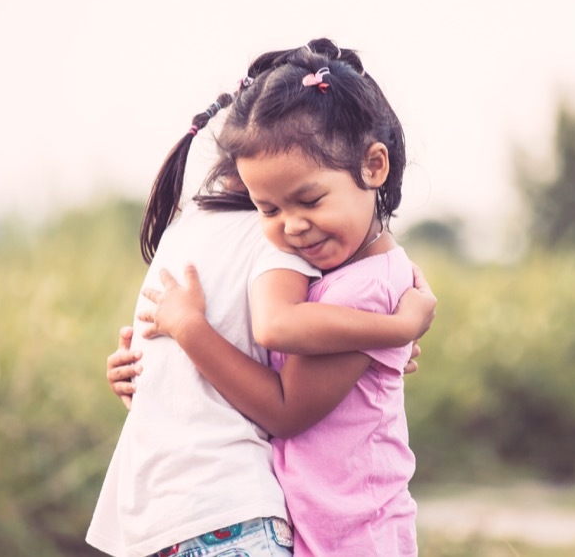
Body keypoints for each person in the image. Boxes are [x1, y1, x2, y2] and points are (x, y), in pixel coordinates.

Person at [86, 40, 435, 557]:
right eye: (268, 206)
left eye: (308, 199)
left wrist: (390, 336)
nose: (292, 224)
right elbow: (276, 340)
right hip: (282, 521)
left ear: (374, 166)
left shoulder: (340, 274)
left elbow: (280, 352)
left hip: (351, 532)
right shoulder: (289, 253)